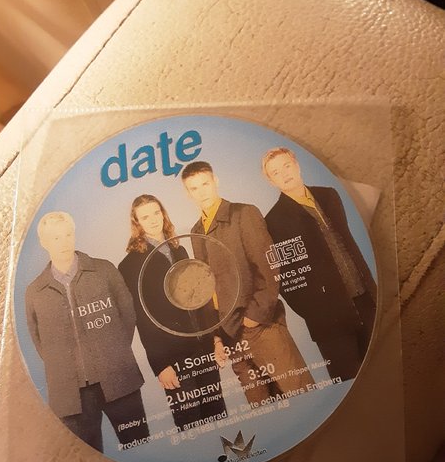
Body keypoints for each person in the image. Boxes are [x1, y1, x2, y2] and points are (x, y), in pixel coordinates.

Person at [181, 161, 314, 406]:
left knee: (302, 395)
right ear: (188, 193)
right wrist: (217, 337)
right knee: (263, 410)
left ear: (215, 181)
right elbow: (208, 289)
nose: (201, 192)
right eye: (194, 188)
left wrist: (253, 317)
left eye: (205, 184)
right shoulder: (196, 231)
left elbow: (269, 267)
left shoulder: (243, 213)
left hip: (261, 327)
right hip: (231, 336)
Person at [25, 211, 149, 453]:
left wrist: (114, 353)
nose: (64, 242)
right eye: (56, 238)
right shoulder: (34, 292)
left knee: (141, 449)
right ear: (44, 243)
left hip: (119, 379)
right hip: (70, 396)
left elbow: (127, 314)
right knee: (88, 460)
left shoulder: (104, 270)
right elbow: (40, 342)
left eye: (68, 235)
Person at [262, 147, 377, 381]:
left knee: (383, 368)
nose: (284, 173)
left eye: (287, 165)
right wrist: (315, 311)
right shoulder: (273, 221)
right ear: (271, 181)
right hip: (329, 320)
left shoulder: (329, 195)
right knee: (349, 382)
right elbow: (284, 278)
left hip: (367, 300)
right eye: (276, 172)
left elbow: (348, 242)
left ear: (297, 165)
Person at [118, 194, 227, 429]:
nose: (153, 220)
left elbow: (200, 300)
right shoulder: (129, 265)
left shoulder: (180, 251)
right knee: (191, 425)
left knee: (217, 417)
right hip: (172, 357)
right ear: (137, 222)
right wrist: (160, 365)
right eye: (145, 217)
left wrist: (216, 338)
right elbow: (142, 320)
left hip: (202, 348)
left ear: (163, 214)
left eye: (156, 213)